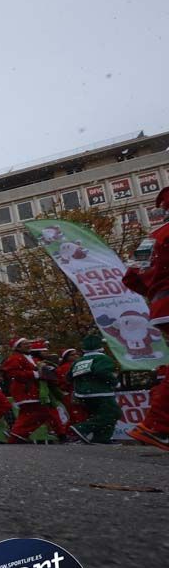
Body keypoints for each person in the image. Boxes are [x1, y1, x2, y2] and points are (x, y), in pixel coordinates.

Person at [122, 188, 169, 450]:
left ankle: (156, 426)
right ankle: (157, 426)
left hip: (161, 307)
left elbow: (129, 277)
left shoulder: (150, 239)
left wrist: (155, 292)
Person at [2, 337, 61, 443]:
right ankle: (17, 434)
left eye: (29, 343)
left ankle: (17, 435)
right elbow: (13, 374)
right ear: (18, 347)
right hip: (25, 390)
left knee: (28, 414)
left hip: (31, 390)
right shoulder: (14, 358)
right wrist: (35, 374)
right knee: (40, 413)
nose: (29, 345)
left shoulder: (29, 358)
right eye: (25, 344)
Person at [68, 334, 120, 444]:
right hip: (101, 392)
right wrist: (115, 382)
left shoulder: (78, 361)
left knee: (98, 415)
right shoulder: (102, 358)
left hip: (82, 394)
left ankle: (101, 439)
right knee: (112, 413)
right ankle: (82, 428)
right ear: (100, 346)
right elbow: (102, 372)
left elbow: (69, 377)